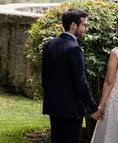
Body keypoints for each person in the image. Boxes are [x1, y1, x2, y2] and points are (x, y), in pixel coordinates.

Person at [42, 9, 103, 143]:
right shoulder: (74, 48)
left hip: (53, 106)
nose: (85, 29)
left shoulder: (49, 45)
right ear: (73, 26)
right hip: (71, 109)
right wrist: (93, 108)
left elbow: (45, 78)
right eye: (84, 25)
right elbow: (81, 82)